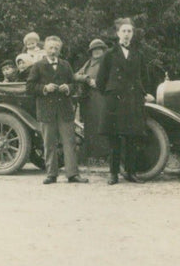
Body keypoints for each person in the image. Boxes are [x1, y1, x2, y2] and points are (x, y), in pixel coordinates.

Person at [96, 18, 155, 185]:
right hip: (115, 101)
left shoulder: (139, 54)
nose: (127, 34)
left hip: (133, 100)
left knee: (132, 138)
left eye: (130, 31)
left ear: (133, 34)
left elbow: (144, 77)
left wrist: (143, 93)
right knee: (114, 139)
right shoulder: (109, 54)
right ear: (118, 34)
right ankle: (113, 174)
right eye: (124, 31)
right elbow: (100, 81)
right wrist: (111, 94)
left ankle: (131, 173)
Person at [26, 36, 88, 184]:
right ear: (45, 49)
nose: (53, 51)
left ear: (60, 50)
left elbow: (74, 84)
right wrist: (44, 88)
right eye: (50, 48)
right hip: (46, 110)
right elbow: (29, 87)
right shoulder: (38, 66)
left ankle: (72, 174)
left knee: (69, 142)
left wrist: (68, 88)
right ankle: (51, 174)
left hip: (64, 110)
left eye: (56, 48)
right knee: (49, 143)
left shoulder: (66, 65)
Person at [73, 38, 108, 161]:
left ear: (103, 50)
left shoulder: (107, 62)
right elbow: (75, 75)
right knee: (90, 126)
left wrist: (99, 83)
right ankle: (93, 156)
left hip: (103, 97)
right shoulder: (88, 63)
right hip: (88, 99)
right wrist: (87, 78)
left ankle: (104, 155)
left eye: (99, 49)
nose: (96, 51)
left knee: (102, 125)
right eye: (94, 49)